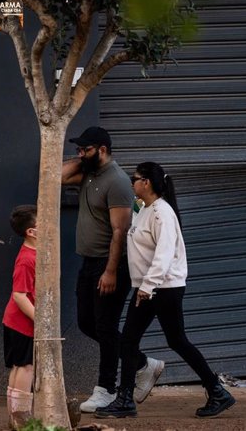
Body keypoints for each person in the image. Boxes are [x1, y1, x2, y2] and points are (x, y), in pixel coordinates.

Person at [95, 162, 236, 419]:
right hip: (148, 287)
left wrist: (147, 286)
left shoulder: (162, 213)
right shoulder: (146, 209)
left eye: (135, 179)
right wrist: (144, 285)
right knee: (128, 340)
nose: (131, 183)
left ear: (146, 182)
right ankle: (125, 398)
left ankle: (216, 390)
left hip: (163, 287)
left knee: (176, 340)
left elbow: (164, 253)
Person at [61, 126, 164, 413]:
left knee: (105, 327)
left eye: (86, 149)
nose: (80, 153)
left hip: (111, 264)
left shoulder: (117, 181)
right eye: (79, 150)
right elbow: (56, 176)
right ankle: (142, 363)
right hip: (88, 262)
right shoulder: (90, 172)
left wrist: (110, 271)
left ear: (103, 149)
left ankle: (106, 389)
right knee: (87, 323)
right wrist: (83, 158)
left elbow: (120, 230)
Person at [2, 205, 37, 430]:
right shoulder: (27, 259)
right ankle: (21, 418)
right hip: (22, 323)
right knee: (26, 367)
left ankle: (15, 418)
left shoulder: (33, 254)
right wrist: (40, 321)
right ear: (31, 232)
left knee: (19, 366)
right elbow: (19, 295)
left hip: (15, 322)